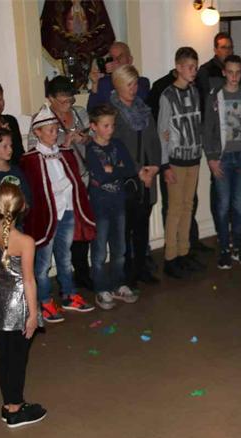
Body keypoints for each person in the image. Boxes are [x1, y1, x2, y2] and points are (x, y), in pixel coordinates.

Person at [20, 104, 95, 323]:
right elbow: (37, 191)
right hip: (46, 217)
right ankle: (44, 301)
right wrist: (64, 185)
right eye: (50, 130)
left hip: (67, 212)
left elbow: (75, 180)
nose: (55, 134)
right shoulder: (30, 159)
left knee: (65, 257)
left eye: (56, 129)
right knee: (43, 264)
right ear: (37, 132)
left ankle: (69, 294)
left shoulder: (64, 153)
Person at [0, 183, 47, 428]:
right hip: (20, 303)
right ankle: (16, 409)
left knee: (6, 356)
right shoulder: (25, 241)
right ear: (22, 207)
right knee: (18, 358)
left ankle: (8, 404)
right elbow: (28, 280)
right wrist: (33, 314)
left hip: (0, 299)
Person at [87, 104, 155, 309]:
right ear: (94, 126)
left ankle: (119, 284)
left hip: (118, 203)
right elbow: (100, 175)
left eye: (112, 125)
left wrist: (113, 169)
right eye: (105, 126)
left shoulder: (118, 144)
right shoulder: (90, 149)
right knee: (100, 251)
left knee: (120, 248)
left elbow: (130, 170)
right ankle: (101, 288)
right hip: (99, 206)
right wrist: (116, 170)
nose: (110, 130)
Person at [28, 76, 93, 290]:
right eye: (63, 99)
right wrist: (64, 142)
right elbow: (33, 152)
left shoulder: (79, 112)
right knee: (57, 239)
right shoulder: (41, 119)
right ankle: (58, 285)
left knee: (81, 232)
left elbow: (93, 137)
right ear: (50, 98)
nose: (68, 103)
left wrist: (83, 139)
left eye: (70, 98)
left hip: (81, 178)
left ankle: (81, 274)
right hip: (56, 187)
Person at [110, 64, 166, 286]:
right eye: (129, 84)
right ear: (118, 85)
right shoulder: (112, 113)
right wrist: (137, 170)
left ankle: (142, 268)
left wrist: (155, 166)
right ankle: (127, 275)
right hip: (128, 179)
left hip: (148, 177)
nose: (133, 89)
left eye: (135, 84)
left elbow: (155, 140)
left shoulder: (144, 109)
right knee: (125, 230)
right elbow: (115, 148)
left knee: (142, 227)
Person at [203, 55, 241, 269]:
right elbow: (207, 129)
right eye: (230, 72)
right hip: (222, 159)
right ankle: (225, 249)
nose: (234, 76)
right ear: (224, 73)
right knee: (223, 204)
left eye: (238, 72)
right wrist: (211, 158)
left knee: (238, 204)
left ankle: (238, 247)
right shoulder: (214, 96)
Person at [158, 47, 205, 279]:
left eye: (196, 67)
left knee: (188, 206)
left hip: (193, 158)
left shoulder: (195, 92)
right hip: (175, 160)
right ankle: (170, 257)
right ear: (178, 67)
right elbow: (162, 131)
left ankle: (184, 252)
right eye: (190, 67)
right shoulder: (167, 96)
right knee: (175, 209)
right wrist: (165, 165)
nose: (194, 71)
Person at [88, 41, 150, 111]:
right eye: (112, 58)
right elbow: (92, 111)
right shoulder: (104, 82)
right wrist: (95, 83)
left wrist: (121, 72)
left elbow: (140, 102)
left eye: (120, 57)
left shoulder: (142, 82)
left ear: (130, 60)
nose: (115, 61)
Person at [0, 128, 32, 206]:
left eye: (11, 145)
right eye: (5, 146)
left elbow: (27, 195)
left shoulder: (17, 170)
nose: (10, 150)